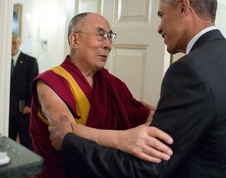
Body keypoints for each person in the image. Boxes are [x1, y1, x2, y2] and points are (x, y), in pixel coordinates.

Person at [49, 0, 226, 178]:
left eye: (161, 15)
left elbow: (147, 168)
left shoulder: (190, 70)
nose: (159, 27)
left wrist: (70, 142)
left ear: (183, 7)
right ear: (74, 40)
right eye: (100, 35)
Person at [30, 12, 173, 178]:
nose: (108, 45)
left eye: (110, 36)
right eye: (100, 35)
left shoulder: (112, 84)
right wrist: (125, 139)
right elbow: (65, 136)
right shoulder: (49, 83)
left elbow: (143, 112)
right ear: (75, 40)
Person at [9, 33, 39, 150]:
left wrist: (29, 105)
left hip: (23, 109)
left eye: (14, 43)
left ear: (19, 43)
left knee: (26, 141)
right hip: (7, 109)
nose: (11, 46)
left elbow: (33, 85)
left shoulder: (30, 61)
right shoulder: (2, 61)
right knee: (8, 139)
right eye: (9, 42)